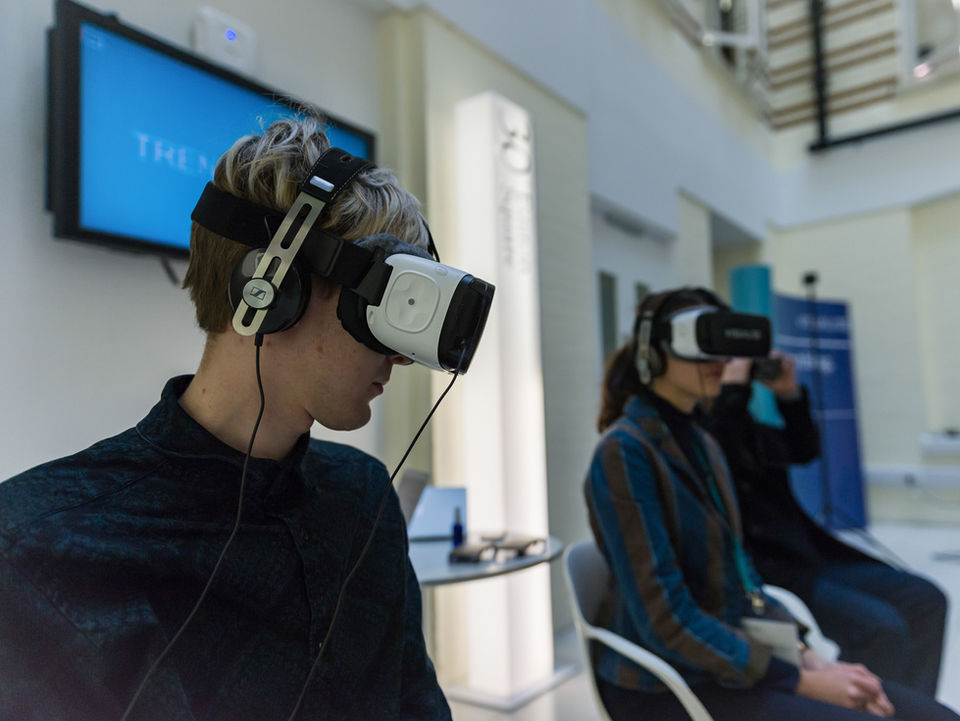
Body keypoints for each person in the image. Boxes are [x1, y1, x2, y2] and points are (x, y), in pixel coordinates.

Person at [0, 113, 452, 720]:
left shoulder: (364, 495)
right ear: (273, 289)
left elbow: (415, 703)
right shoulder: (36, 548)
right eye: (382, 304)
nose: (400, 352)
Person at [583, 286, 959, 721]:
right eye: (704, 343)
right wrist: (800, 680)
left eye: (725, 345)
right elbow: (665, 619)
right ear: (654, 349)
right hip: (667, 683)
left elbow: (741, 578)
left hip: (727, 657)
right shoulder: (627, 451)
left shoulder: (700, 443)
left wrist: (804, 653)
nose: (720, 360)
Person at [701, 352, 947, 696]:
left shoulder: (745, 427)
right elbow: (719, 455)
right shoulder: (698, 434)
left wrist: (788, 395)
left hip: (810, 557)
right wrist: (732, 391)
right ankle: (860, 711)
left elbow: (803, 448)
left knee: (926, 599)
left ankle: (911, 711)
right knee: (881, 628)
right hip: (768, 571)